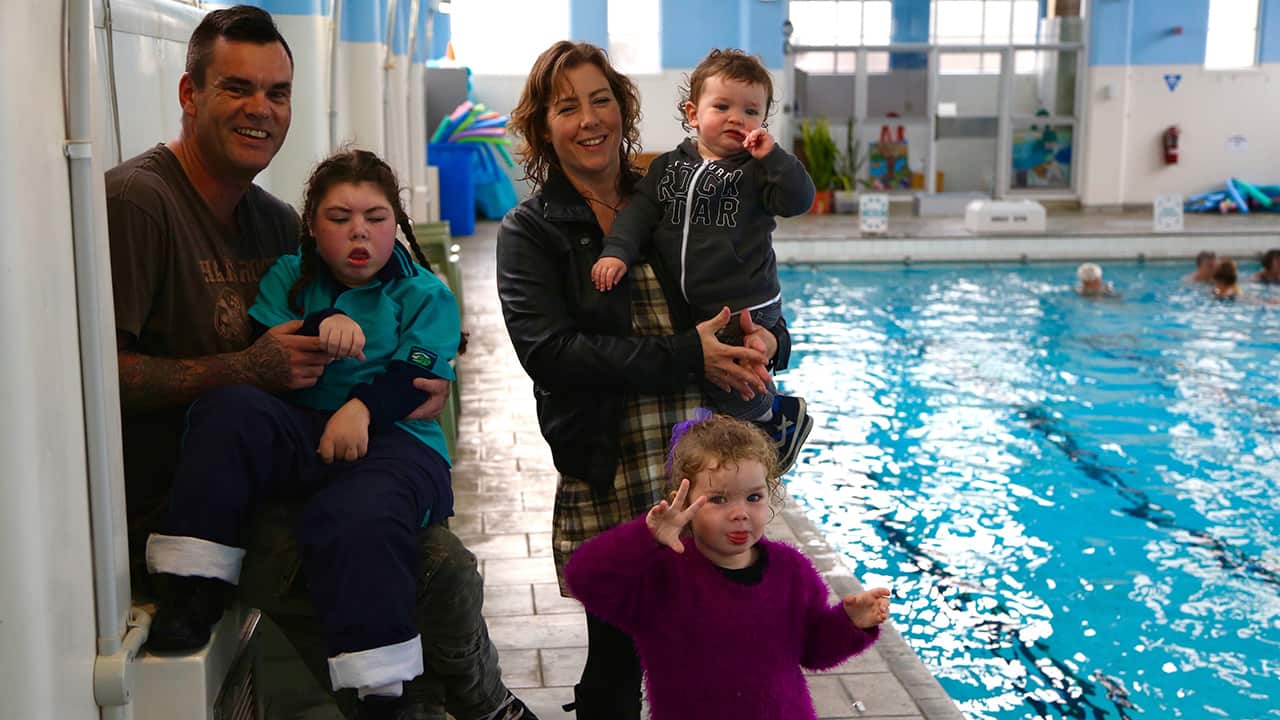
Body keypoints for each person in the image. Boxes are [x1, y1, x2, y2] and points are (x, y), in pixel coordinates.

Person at [106, 7, 533, 719]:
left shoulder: (275, 224)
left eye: (277, 93)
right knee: (415, 565)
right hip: (205, 487)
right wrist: (249, 370)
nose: (260, 109)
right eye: (236, 88)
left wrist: (400, 393)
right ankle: (431, 699)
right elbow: (95, 385)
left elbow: (427, 361)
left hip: (343, 456)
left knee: (433, 560)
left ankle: (474, 695)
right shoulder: (141, 204)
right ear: (189, 93)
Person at [497, 41, 788, 718]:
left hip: (707, 460)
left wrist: (773, 337)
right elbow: (552, 353)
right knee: (621, 646)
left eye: (601, 98)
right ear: (544, 127)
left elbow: (749, 284)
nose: (589, 117)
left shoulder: (676, 190)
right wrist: (689, 354)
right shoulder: (531, 231)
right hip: (613, 461)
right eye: (567, 106)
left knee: (719, 639)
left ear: (624, 108)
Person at [143, 150, 462, 715]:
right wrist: (320, 325)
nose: (359, 232)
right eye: (339, 219)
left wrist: (361, 409)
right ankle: (194, 588)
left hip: (398, 447)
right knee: (227, 410)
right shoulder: (290, 276)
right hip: (301, 430)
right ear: (312, 226)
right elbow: (272, 339)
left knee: (357, 514)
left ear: (396, 223)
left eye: (376, 217)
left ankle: (383, 689)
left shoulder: (425, 294)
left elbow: (417, 377)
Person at [564, 412, 890, 720]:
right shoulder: (662, 578)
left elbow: (814, 651)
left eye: (753, 497)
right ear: (686, 502)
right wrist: (644, 536)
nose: (740, 513)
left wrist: (850, 624)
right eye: (719, 499)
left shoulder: (793, 572)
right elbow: (584, 578)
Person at [589, 48, 814, 473]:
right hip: (696, 308)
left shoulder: (757, 172)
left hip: (748, 303)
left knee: (733, 379)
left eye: (751, 111)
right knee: (712, 383)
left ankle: (776, 417)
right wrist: (617, 252)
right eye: (722, 106)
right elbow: (637, 217)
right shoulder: (667, 169)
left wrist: (775, 158)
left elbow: (800, 200)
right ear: (693, 113)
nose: (736, 118)